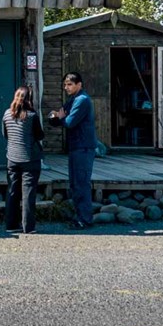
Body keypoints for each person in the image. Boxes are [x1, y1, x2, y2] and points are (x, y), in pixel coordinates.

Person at [49, 72, 96, 230]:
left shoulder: (82, 100)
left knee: (81, 183)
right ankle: (80, 216)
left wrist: (60, 117)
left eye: (69, 84)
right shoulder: (73, 100)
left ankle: (85, 219)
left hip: (83, 147)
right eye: (65, 85)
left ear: (79, 84)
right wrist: (57, 116)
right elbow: (57, 117)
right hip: (76, 146)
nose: (66, 87)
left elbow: (68, 121)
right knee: (75, 183)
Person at [2, 85, 44, 234]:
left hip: (12, 158)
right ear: (29, 100)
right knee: (28, 193)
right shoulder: (32, 116)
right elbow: (40, 136)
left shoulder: (7, 114)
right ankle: (28, 226)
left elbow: (5, 134)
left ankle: (10, 225)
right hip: (30, 158)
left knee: (12, 191)